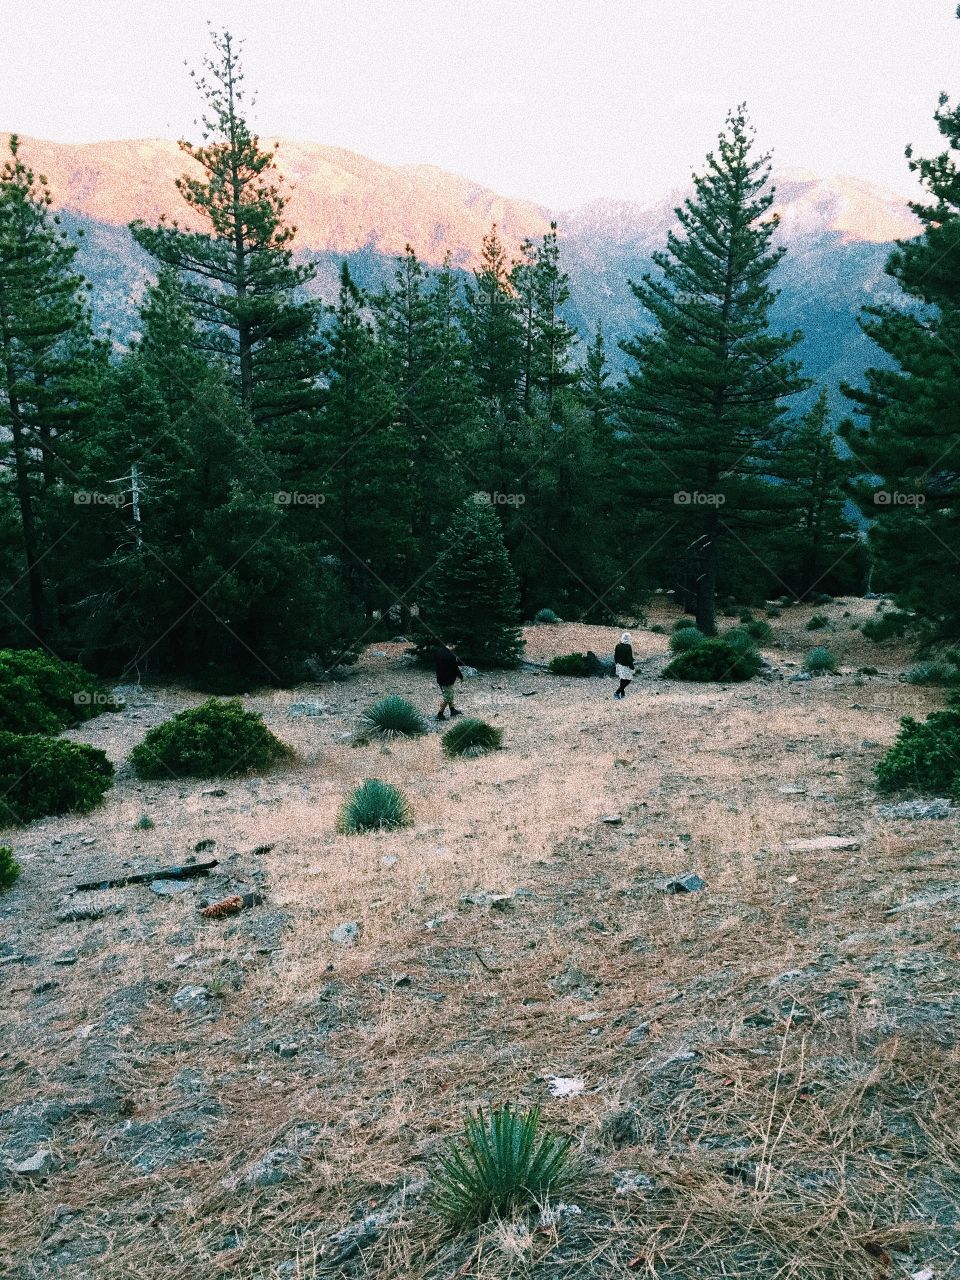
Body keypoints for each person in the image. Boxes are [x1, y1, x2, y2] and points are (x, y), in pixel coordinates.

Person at [434, 642, 464, 719]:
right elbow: (455, 668)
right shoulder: (450, 655)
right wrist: (461, 677)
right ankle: (439, 714)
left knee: (449, 694)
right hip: (447, 680)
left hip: (440, 678)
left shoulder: (439, 651)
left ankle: (452, 710)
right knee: (448, 697)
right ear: (451, 645)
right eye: (454, 646)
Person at [613, 631, 634, 699]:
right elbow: (629, 659)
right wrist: (632, 667)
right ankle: (617, 693)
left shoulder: (617, 645)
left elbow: (615, 656)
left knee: (622, 679)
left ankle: (622, 694)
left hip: (619, 664)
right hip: (626, 666)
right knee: (628, 680)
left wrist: (616, 663)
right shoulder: (628, 647)